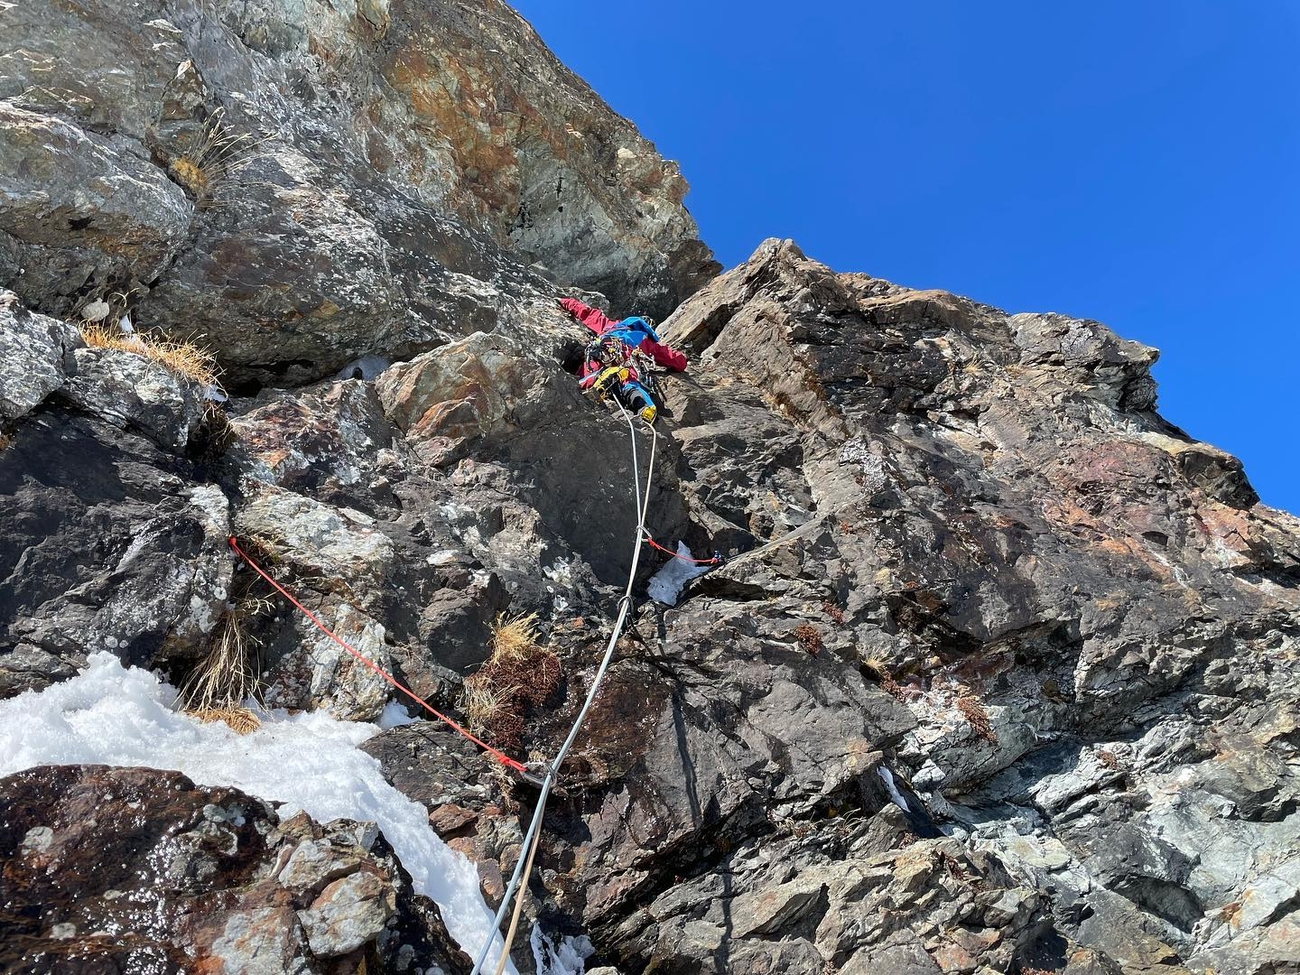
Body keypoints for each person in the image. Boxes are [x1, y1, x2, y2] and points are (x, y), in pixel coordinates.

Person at [558, 297, 688, 423]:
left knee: (588, 372)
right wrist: (683, 360)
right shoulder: (648, 341)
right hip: (626, 359)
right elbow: (675, 360)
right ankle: (644, 407)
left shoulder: (611, 325)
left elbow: (588, 313)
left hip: (602, 351)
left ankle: (592, 381)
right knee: (631, 381)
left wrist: (565, 301)